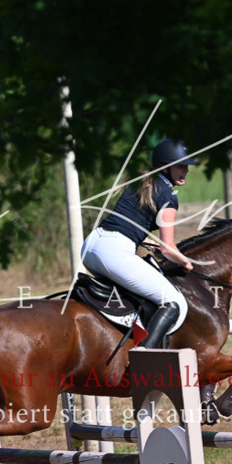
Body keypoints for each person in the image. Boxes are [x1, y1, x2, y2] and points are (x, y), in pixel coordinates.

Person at [81, 138, 196, 349]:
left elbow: (128, 222)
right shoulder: (169, 196)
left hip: (91, 246)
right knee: (173, 301)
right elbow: (168, 249)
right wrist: (186, 263)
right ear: (165, 166)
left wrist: (145, 240)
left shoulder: (140, 182)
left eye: (187, 166)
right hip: (114, 253)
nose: (186, 170)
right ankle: (144, 355)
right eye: (181, 165)